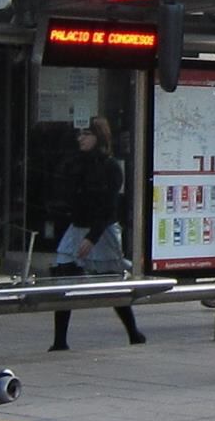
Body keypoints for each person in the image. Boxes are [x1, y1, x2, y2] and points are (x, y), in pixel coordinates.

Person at [49, 117, 144, 351]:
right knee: (64, 278)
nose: (81, 138)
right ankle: (60, 340)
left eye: (87, 134)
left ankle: (133, 331)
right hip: (78, 226)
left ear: (98, 137)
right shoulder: (75, 163)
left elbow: (109, 206)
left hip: (101, 230)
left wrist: (92, 236)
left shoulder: (110, 167)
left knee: (111, 281)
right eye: (80, 134)